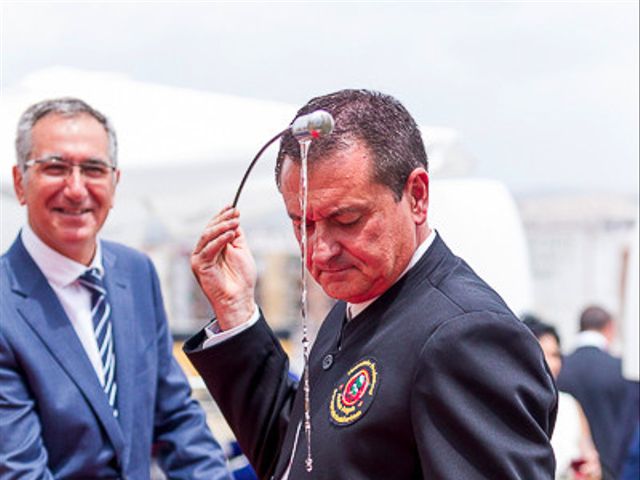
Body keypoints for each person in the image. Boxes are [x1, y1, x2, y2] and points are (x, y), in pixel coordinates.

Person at [184, 89, 558, 479]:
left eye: (346, 220)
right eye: (302, 224)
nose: (320, 250)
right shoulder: (358, 304)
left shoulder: (464, 334)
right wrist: (236, 312)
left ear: (416, 196)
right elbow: (303, 459)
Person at [0, 97, 232, 479]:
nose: (76, 189)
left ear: (114, 182)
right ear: (19, 183)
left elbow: (176, 418)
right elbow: (19, 470)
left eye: (93, 168)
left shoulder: (135, 272)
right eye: (55, 167)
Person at [557, 306, 640, 480]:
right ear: (610, 328)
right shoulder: (623, 370)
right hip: (616, 469)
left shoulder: (559, 368)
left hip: (571, 471)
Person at [522, 314, 602, 480]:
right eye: (544, 354)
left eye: (556, 355)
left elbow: (589, 456)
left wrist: (591, 468)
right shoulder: (515, 403)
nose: (552, 364)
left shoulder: (570, 405)